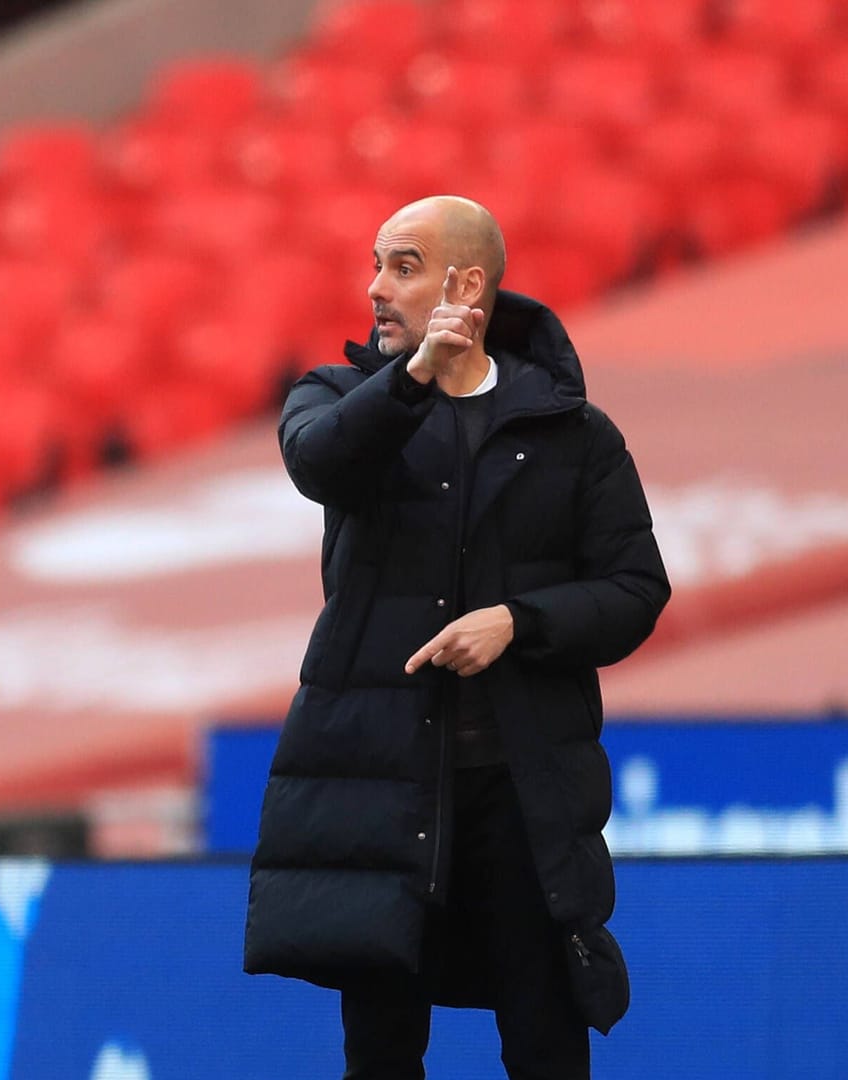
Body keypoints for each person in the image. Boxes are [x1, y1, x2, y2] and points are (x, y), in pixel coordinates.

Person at [244, 195, 671, 1080]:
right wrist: (407, 382)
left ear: (465, 284)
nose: (376, 288)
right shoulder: (337, 398)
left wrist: (523, 621)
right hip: (383, 788)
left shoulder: (573, 434)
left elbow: (635, 591)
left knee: (547, 1039)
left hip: (521, 793)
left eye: (402, 266)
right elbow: (318, 464)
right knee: (383, 1052)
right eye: (377, 265)